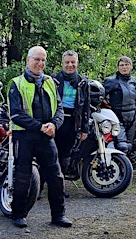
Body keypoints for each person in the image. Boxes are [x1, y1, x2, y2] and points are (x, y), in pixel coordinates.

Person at [7, 46, 72, 228]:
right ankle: (18, 214)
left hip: (47, 136)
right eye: (37, 59)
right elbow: (16, 114)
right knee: (23, 177)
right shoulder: (16, 84)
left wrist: (54, 124)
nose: (40, 63)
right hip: (24, 136)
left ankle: (58, 215)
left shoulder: (51, 82)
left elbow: (59, 109)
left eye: (43, 60)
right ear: (28, 61)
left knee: (56, 177)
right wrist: (40, 126)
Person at [52, 50, 90, 179]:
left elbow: (86, 107)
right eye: (67, 62)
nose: (70, 65)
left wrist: (85, 129)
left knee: (65, 153)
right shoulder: (54, 80)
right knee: (51, 153)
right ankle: (41, 186)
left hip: (73, 121)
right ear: (62, 63)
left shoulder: (83, 82)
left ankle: (59, 185)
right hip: (56, 120)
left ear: (77, 63)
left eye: (72, 62)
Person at [104, 56, 136, 144]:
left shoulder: (135, 82)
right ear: (118, 67)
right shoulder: (111, 81)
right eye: (121, 65)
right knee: (122, 145)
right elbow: (100, 97)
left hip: (132, 119)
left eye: (126, 65)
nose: (124, 67)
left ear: (131, 66)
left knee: (131, 145)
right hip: (117, 118)